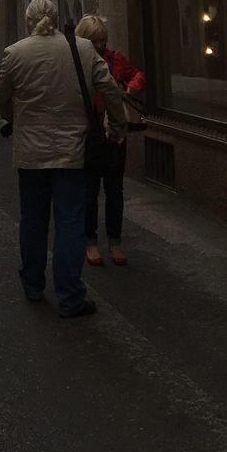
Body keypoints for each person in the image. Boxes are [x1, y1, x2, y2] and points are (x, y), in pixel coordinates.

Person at [0, 0, 126, 318]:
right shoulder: (81, 48)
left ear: (28, 21)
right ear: (56, 18)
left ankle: (33, 284)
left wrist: (14, 117)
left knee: (33, 220)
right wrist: (117, 127)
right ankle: (70, 296)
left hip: (31, 153)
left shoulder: (16, 52)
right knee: (69, 222)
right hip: (71, 151)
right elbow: (108, 88)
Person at [76, 13, 146, 268]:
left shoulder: (115, 59)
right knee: (90, 192)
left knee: (115, 191)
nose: (99, 45)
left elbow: (138, 74)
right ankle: (90, 241)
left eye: (102, 40)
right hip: (89, 133)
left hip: (115, 133)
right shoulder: (78, 63)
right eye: (94, 41)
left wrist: (130, 89)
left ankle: (115, 241)